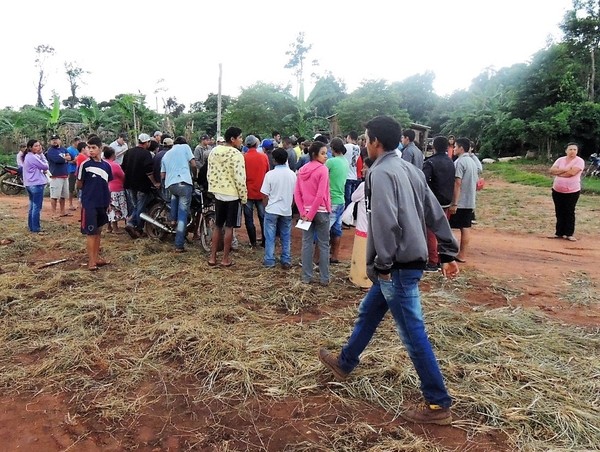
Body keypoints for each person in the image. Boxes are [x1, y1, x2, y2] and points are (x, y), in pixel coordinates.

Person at [318, 115, 460, 426]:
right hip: (405, 262)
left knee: (413, 334)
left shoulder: (379, 173)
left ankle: (438, 404)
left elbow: (385, 222)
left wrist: (382, 264)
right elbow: (434, 210)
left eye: (367, 139)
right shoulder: (410, 168)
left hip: (395, 266)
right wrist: (448, 250)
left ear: (376, 143)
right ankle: (344, 362)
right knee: (369, 312)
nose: (366, 144)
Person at [207, 126, 247, 267]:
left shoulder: (214, 151)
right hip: (232, 195)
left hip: (218, 193)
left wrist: (213, 189)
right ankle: (225, 259)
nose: (241, 140)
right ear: (233, 139)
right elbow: (240, 178)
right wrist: (243, 197)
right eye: (240, 137)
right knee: (229, 227)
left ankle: (212, 257)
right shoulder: (237, 155)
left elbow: (209, 172)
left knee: (218, 226)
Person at [294, 141, 331, 286]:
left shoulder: (302, 170)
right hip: (321, 211)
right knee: (323, 244)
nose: (326, 156)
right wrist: (311, 213)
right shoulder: (323, 170)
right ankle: (324, 278)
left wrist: (304, 212)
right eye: (323, 153)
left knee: (307, 244)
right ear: (315, 155)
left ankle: (306, 277)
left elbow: (297, 193)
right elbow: (320, 195)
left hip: (306, 213)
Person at [77, 136, 112, 271]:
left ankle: (96, 257)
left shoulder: (106, 166)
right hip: (89, 203)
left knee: (99, 231)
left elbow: (107, 185)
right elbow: (80, 184)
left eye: (93, 148)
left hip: (102, 202)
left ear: (100, 148)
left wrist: (108, 201)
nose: (90, 151)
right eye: (89, 148)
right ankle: (91, 261)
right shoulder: (85, 165)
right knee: (91, 232)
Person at [422, 136, 456, 271]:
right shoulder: (451, 161)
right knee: (442, 230)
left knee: (430, 231)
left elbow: (422, 181)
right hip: (447, 201)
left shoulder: (430, 163)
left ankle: (433, 262)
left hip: (433, 201)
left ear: (433, 147)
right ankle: (443, 257)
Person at [260, 148, 297, 269]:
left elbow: (264, 194)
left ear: (274, 160)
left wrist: (266, 206)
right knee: (286, 235)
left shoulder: (270, 175)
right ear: (286, 159)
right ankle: (286, 259)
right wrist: (290, 206)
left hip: (272, 209)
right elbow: (295, 195)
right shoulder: (292, 175)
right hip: (286, 209)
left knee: (270, 236)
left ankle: (269, 260)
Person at [122, 133, 161, 238]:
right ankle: (134, 226)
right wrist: (155, 183)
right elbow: (149, 172)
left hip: (129, 184)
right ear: (147, 142)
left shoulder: (129, 152)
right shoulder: (146, 154)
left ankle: (134, 225)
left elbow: (123, 167)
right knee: (140, 207)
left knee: (136, 206)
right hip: (142, 185)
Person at [161, 136, 196, 252]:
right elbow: (194, 164)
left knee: (174, 197)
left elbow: (162, 175)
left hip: (171, 185)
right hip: (184, 183)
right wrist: (194, 177)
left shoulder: (166, 154)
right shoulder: (185, 147)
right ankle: (179, 244)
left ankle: (172, 221)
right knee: (183, 214)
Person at [449, 138, 479, 262]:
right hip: (470, 200)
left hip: (460, 201)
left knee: (448, 227)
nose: (454, 149)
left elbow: (457, 183)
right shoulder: (473, 162)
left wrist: (454, 202)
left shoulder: (460, 162)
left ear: (461, 148)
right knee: (465, 227)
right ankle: (462, 254)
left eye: (455, 146)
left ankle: (448, 253)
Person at [549, 142, 585, 241]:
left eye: (574, 149)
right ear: (566, 151)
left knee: (569, 211)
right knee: (559, 211)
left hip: (572, 191)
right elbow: (552, 170)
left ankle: (569, 233)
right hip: (557, 190)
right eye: (570, 149)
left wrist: (559, 172)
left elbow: (571, 173)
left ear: (577, 151)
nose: (572, 151)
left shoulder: (579, 161)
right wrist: (565, 169)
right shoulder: (560, 160)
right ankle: (559, 232)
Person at [348, 157, 373, 289]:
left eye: (364, 167)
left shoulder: (364, 186)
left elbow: (353, 198)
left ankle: (362, 280)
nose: (362, 170)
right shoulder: (381, 183)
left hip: (363, 225)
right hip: (376, 228)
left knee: (362, 255)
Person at [243, 135, 270, 247]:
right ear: (257, 144)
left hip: (248, 191)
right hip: (261, 191)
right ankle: (265, 241)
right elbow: (267, 172)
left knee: (249, 218)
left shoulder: (243, 157)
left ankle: (253, 242)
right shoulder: (263, 157)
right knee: (263, 217)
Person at [326, 137, 349, 264]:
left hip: (331, 199)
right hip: (341, 199)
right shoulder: (344, 161)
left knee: (323, 231)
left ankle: (317, 258)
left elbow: (321, 174)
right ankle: (334, 256)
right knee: (337, 230)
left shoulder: (331, 162)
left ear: (332, 148)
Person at [22, 139, 49, 234]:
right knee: (37, 207)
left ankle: (31, 226)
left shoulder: (28, 157)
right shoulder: (33, 157)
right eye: (36, 146)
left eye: (39, 145)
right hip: (36, 184)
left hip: (29, 184)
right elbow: (45, 166)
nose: (39, 147)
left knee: (32, 206)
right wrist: (42, 155)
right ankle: (36, 228)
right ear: (30, 147)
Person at [46, 133, 73, 217]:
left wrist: (65, 158)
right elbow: (57, 160)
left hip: (64, 175)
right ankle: (53, 213)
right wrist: (65, 158)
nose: (54, 141)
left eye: (56, 139)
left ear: (59, 140)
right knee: (54, 195)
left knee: (63, 195)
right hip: (55, 176)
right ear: (50, 142)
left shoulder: (63, 149)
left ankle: (62, 211)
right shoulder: (50, 151)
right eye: (53, 140)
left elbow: (71, 157)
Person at [103, 146, 127, 234]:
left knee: (108, 208)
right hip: (116, 188)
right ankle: (115, 227)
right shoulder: (115, 165)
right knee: (115, 208)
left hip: (105, 189)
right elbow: (122, 176)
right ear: (113, 155)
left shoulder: (103, 164)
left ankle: (109, 227)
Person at [343, 131, 361, 207]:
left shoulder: (346, 146)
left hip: (347, 175)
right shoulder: (358, 148)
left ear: (349, 137)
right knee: (352, 199)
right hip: (354, 175)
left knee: (347, 199)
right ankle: (351, 214)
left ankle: (346, 215)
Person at [66, 137, 80, 211]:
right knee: (71, 187)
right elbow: (67, 161)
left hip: (78, 170)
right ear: (74, 141)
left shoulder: (78, 149)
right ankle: (70, 203)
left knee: (79, 187)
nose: (79, 142)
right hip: (72, 170)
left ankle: (79, 203)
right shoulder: (69, 150)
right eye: (78, 141)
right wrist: (74, 161)